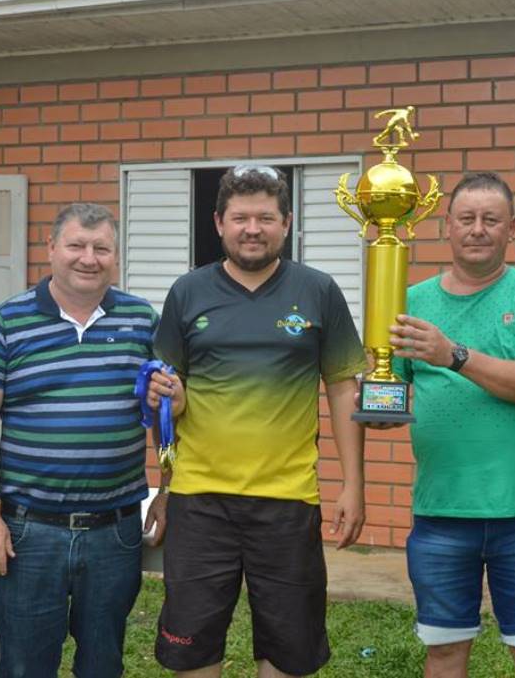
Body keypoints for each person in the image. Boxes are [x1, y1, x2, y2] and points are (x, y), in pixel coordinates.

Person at [146, 165, 367, 678]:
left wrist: (353, 485)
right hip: (200, 501)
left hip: (288, 500)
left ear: (286, 224)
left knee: (290, 653)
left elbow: (340, 388)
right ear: (219, 222)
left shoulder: (318, 291)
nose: (253, 228)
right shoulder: (188, 292)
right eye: (241, 217)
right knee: (193, 651)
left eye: (266, 217)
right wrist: (164, 487)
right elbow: (165, 402)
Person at [0, 203, 163, 678]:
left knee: (103, 663)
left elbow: (167, 413)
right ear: (50, 249)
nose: (88, 258)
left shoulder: (140, 320)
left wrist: (168, 492)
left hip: (114, 531)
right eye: (76, 245)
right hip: (31, 533)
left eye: (101, 248)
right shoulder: (4, 323)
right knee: (26, 665)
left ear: (116, 256)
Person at [382, 172, 515, 677]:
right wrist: (374, 393)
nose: (478, 229)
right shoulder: (410, 300)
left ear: (513, 227)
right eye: (467, 218)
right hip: (440, 512)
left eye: (491, 219)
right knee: (443, 652)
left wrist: (452, 355)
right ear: (447, 226)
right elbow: (387, 402)